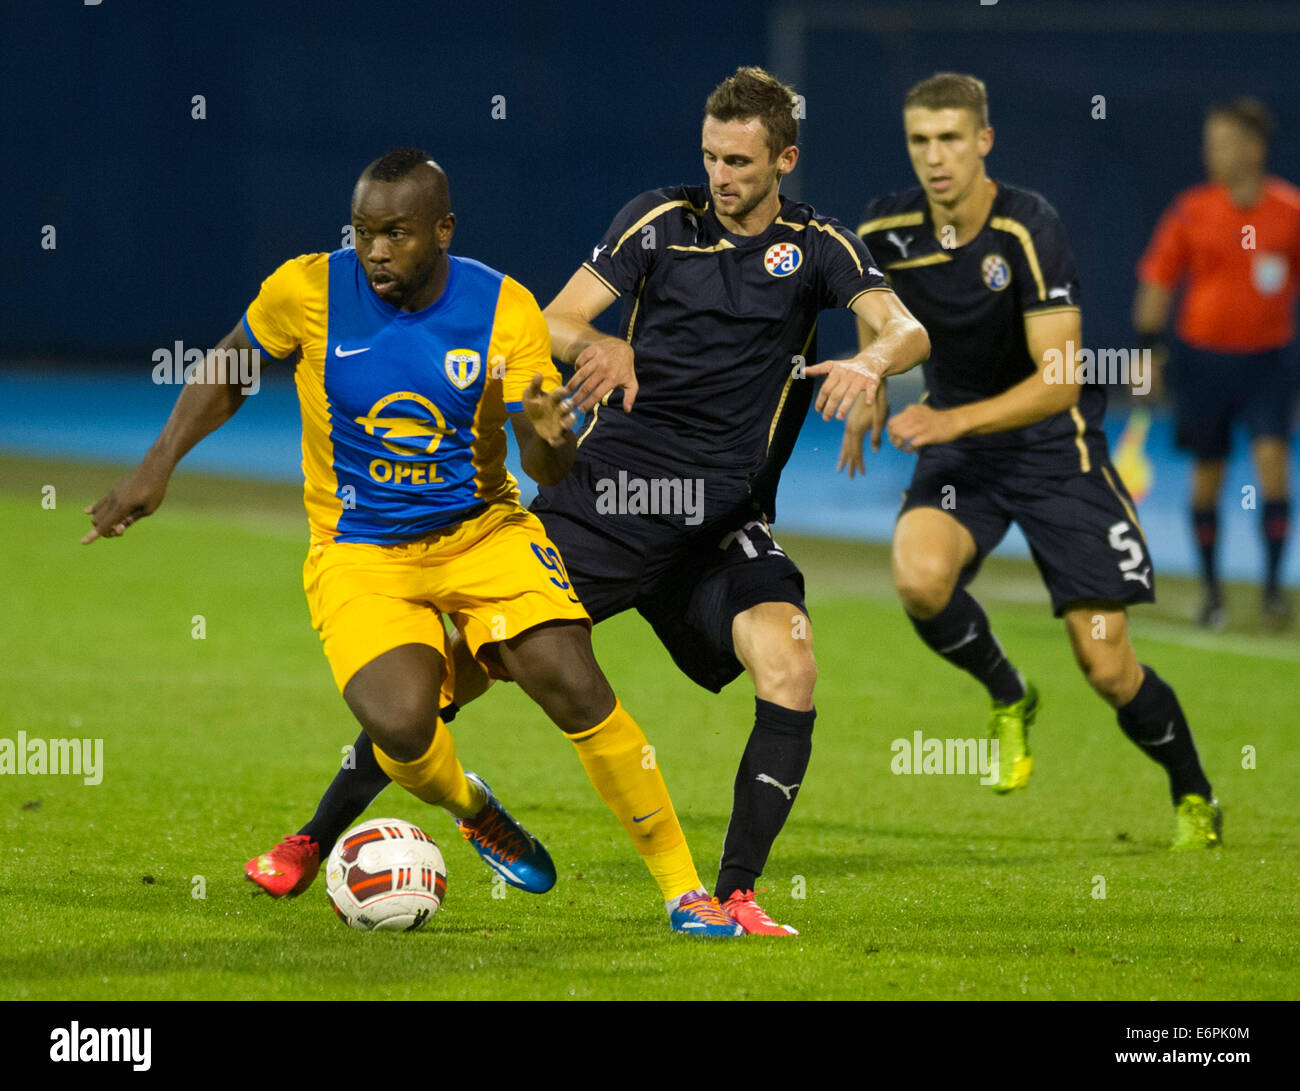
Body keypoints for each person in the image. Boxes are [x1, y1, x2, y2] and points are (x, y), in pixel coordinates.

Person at [246, 67, 930, 934]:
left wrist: (873, 362)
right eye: (712, 156)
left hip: (719, 523)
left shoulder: (821, 247)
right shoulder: (659, 223)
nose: (722, 176)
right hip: (607, 500)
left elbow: (907, 326)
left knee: (791, 665)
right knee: (450, 679)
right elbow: (556, 316)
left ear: (785, 160)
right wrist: (604, 345)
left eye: (742, 163)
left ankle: (733, 893)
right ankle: (313, 837)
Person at [83, 148, 743, 937]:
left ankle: (684, 892)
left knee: (570, 679)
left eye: (396, 233)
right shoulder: (308, 289)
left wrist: (549, 437)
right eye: (363, 231)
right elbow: (231, 363)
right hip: (359, 551)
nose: (375, 251)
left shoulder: (505, 308)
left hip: (483, 531)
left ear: (442, 229)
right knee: (399, 722)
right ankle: (476, 807)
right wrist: (155, 468)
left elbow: (547, 463)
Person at [850, 72, 1221, 849]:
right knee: (919, 579)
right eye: (921, 140)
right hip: (963, 454)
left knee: (1108, 666)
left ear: (984, 141)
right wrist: (872, 377)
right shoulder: (886, 229)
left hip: (1057, 451)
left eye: (951, 138)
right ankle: (1009, 691)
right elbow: (874, 317)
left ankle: (1193, 792)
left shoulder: (1028, 227)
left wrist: (946, 417)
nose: (935, 157)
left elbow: (1057, 383)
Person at [1133, 97, 1300, 629]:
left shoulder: (1291, 212)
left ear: (1253, 149)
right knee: (1208, 477)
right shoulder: (1191, 210)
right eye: (1210, 142)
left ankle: (1273, 591)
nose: (1212, 152)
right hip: (1203, 364)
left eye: (1223, 142)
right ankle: (1211, 593)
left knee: (1272, 466)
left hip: (1268, 364)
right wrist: (1147, 353)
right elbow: (1158, 283)